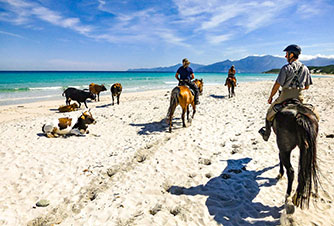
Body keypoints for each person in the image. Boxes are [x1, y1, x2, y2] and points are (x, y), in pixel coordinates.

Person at [259, 44, 313, 141]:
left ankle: (266, 134)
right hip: (299, 97)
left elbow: (277, 85)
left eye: (287, 54)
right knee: (314, 113)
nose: (285, 56)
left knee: (269, 114)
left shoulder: (286, 68)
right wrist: (297, 89)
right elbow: (307, 87)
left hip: (285, 96)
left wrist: (271, 97)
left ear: (292, 54)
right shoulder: (305, 68)